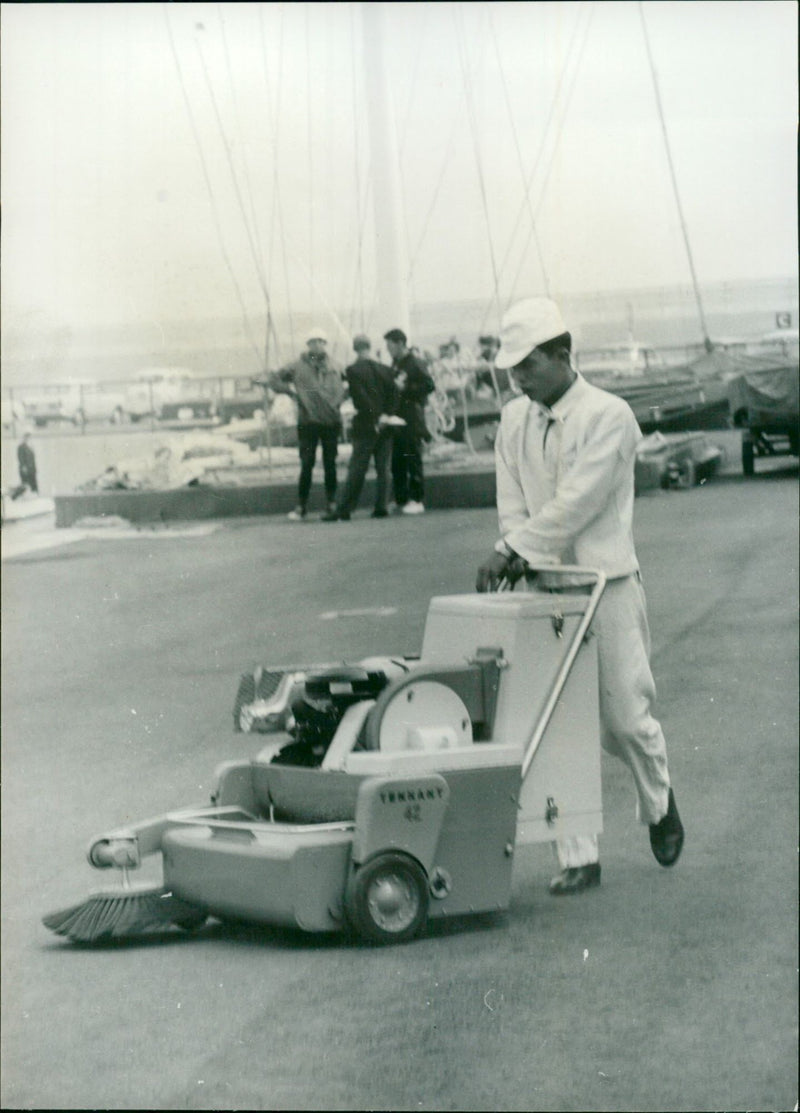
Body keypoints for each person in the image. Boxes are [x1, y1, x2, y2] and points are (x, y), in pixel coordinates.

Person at [475, 297, 684, 896]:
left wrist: (513, 548)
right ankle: (578, 855)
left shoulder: (611, 416)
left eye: (529, 365)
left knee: (623, 720)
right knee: (552, 725)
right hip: (546, 588)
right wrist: (516, 546)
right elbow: (511, 494)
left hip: (607, 584)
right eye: (512, 368)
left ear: (563, 356)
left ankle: (660, 801)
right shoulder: (515, 419)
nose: (518, 378)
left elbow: (579, 504)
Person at [270, 329, 345, 521]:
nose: (317, 345)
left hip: (330, 421)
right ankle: (301, 506)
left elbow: (351, 383)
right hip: (308, 422)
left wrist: (339, 401)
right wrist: (290, 392)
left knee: (331, 464)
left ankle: (332, 504)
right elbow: (274, 379)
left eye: (321, 341)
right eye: (313, 341)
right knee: (307, 464)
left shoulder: (336, 365)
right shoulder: (296, 366)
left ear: (325, 344)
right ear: (308, 344)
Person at [323, 334, 399, 521]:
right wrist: (386, 415)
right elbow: (394, 394)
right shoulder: (385, 369)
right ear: (370, 347)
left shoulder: (353, 370)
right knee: (384, 468)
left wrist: (374, 416)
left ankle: (344, 509)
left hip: (365, 425)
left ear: (355, 348)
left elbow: (360, 397)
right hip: (386, 425)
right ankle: (382, 506)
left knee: (357, 468)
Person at [384, 327, 436, 515]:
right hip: (397, 417)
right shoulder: (396, 364)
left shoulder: (415, 363)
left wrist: (407, 388)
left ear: (399, 344)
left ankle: (417, 498)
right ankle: (401, 498)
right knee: (398, 460)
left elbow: (429, 385)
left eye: (390, 345)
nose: (388, 349)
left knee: (413, 457)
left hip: (412, 417)